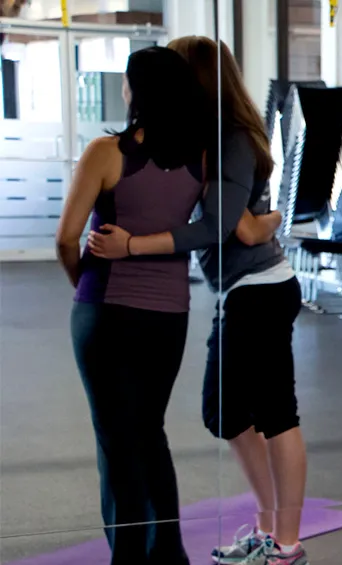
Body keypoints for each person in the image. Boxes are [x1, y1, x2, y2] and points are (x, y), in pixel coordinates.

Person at [87, 36, 310, 565]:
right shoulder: (200, 139)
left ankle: (286, 543)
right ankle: (267, 527)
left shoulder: (230, 137)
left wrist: (133, 245)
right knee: (225, 412)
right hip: (240, 291)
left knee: (274, 413)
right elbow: (245, 222)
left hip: (261, 289)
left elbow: (228, 228)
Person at [56, 46, 210, 565]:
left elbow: (66, 237)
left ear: (136, 91)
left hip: (106, 309)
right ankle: (168, 554)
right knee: (150, 431)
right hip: (170, 314)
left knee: (116, 439)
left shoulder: (107, 151)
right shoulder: (201, 157)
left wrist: (84, 282)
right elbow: (207, 227)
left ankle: (127, 557)